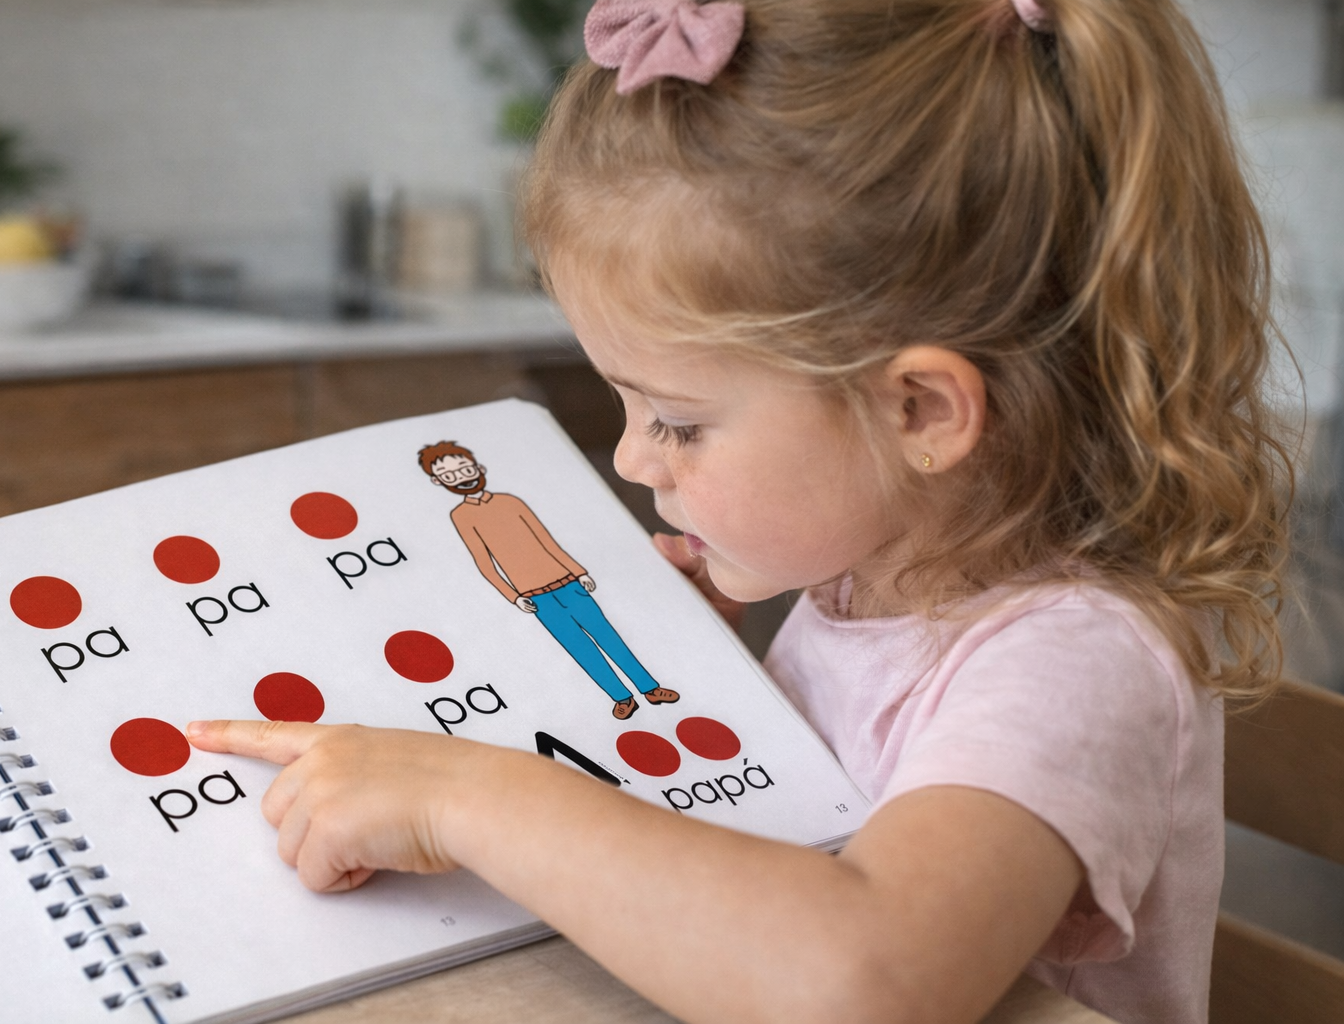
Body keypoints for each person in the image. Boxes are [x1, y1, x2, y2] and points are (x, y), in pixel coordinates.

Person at [187, 0, 1291, 1020]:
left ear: (918, 410)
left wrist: (471, 797)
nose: (632, 459)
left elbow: (864, 975)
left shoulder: (1071, 659)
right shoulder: (872, 576)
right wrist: (719, 706)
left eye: (677, 419)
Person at [418, 439, 681, 718]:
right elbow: (484, 563)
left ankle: (649, 687)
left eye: (464, 468)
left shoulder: (510, 501)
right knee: (579, 648)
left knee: (608, 636)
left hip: (567, 583)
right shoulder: (461, 515)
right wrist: (513, 596)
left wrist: (578, 571)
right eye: (450, 475)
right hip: (536, 598)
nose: (462, 477)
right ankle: (620, 697)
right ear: (438, 481)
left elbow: (546, 540)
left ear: (478, 466)